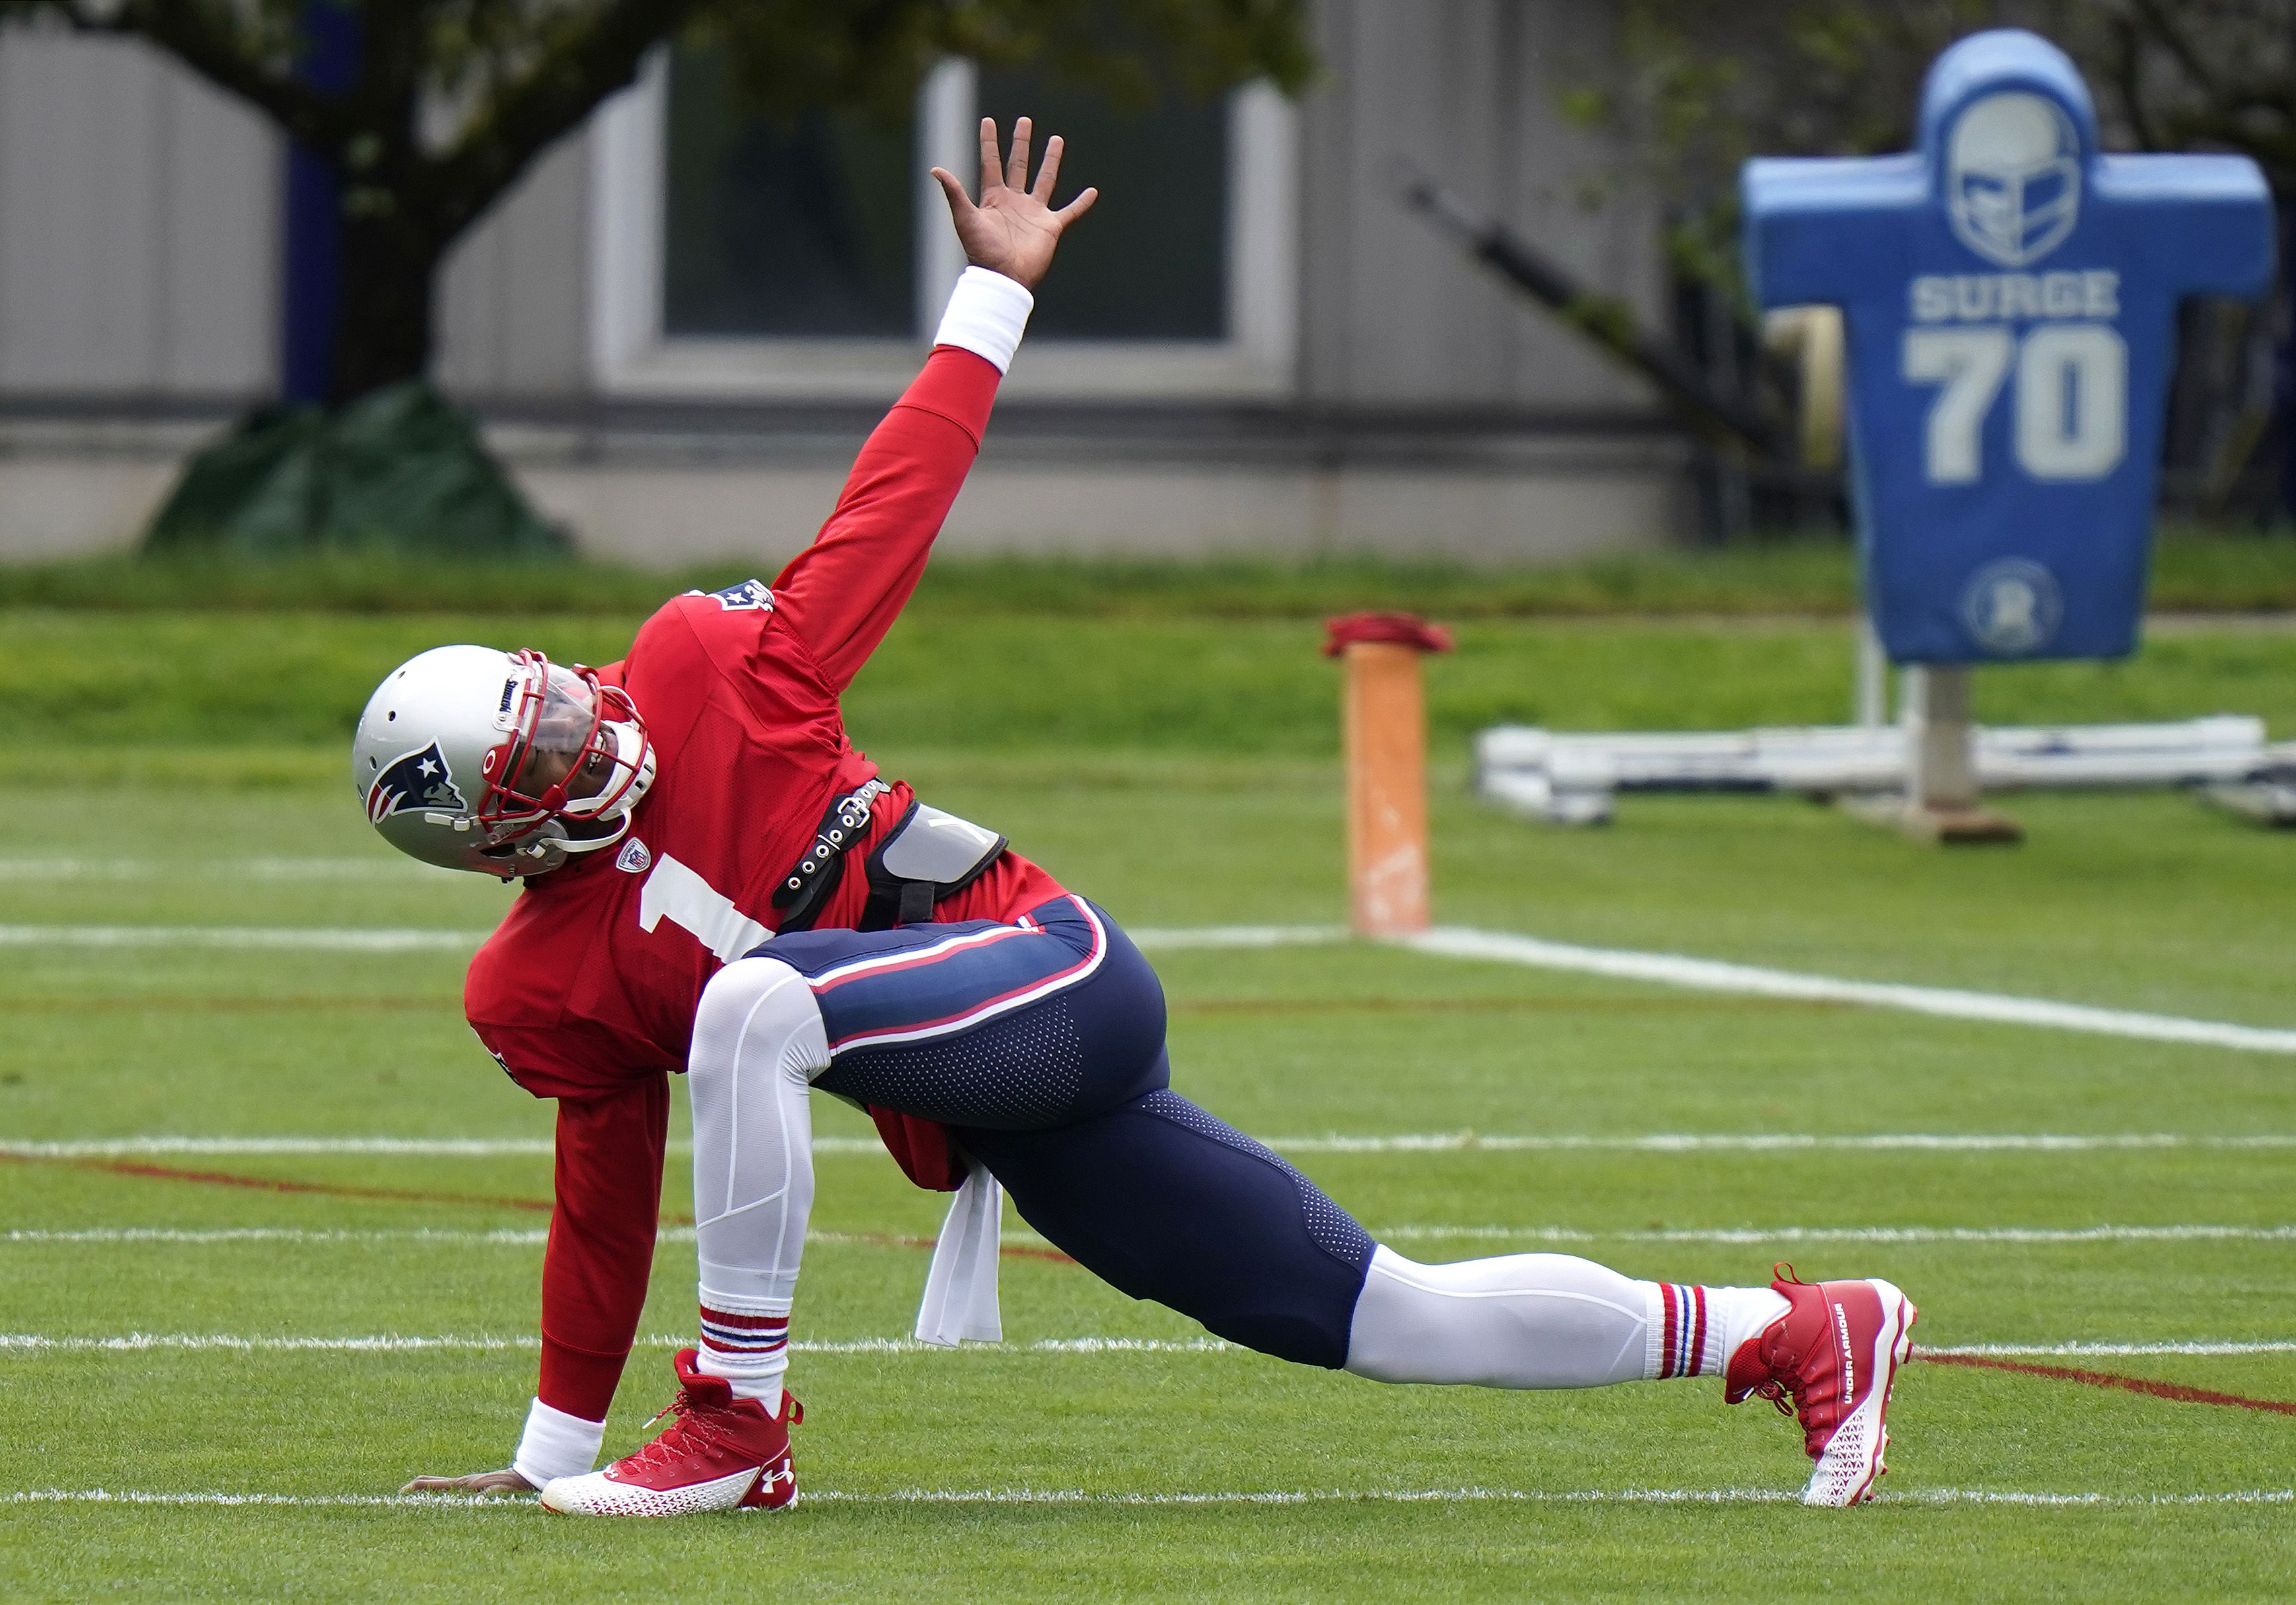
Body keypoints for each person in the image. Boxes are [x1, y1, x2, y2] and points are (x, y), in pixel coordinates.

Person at [362, 118, 1916, 1517]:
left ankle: (736, 1430)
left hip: (1053, 973)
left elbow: (881, 514)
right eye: (536, 767)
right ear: (493, 847)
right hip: (1007, 1111)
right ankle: (1794, 1328)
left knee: (759, 1001)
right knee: (1385, 1316)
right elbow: (602, 1194)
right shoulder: (539, 982)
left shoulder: (700, 664)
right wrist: (550, 1454)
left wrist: (996, 295)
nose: (583, 736)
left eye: (554, 705)